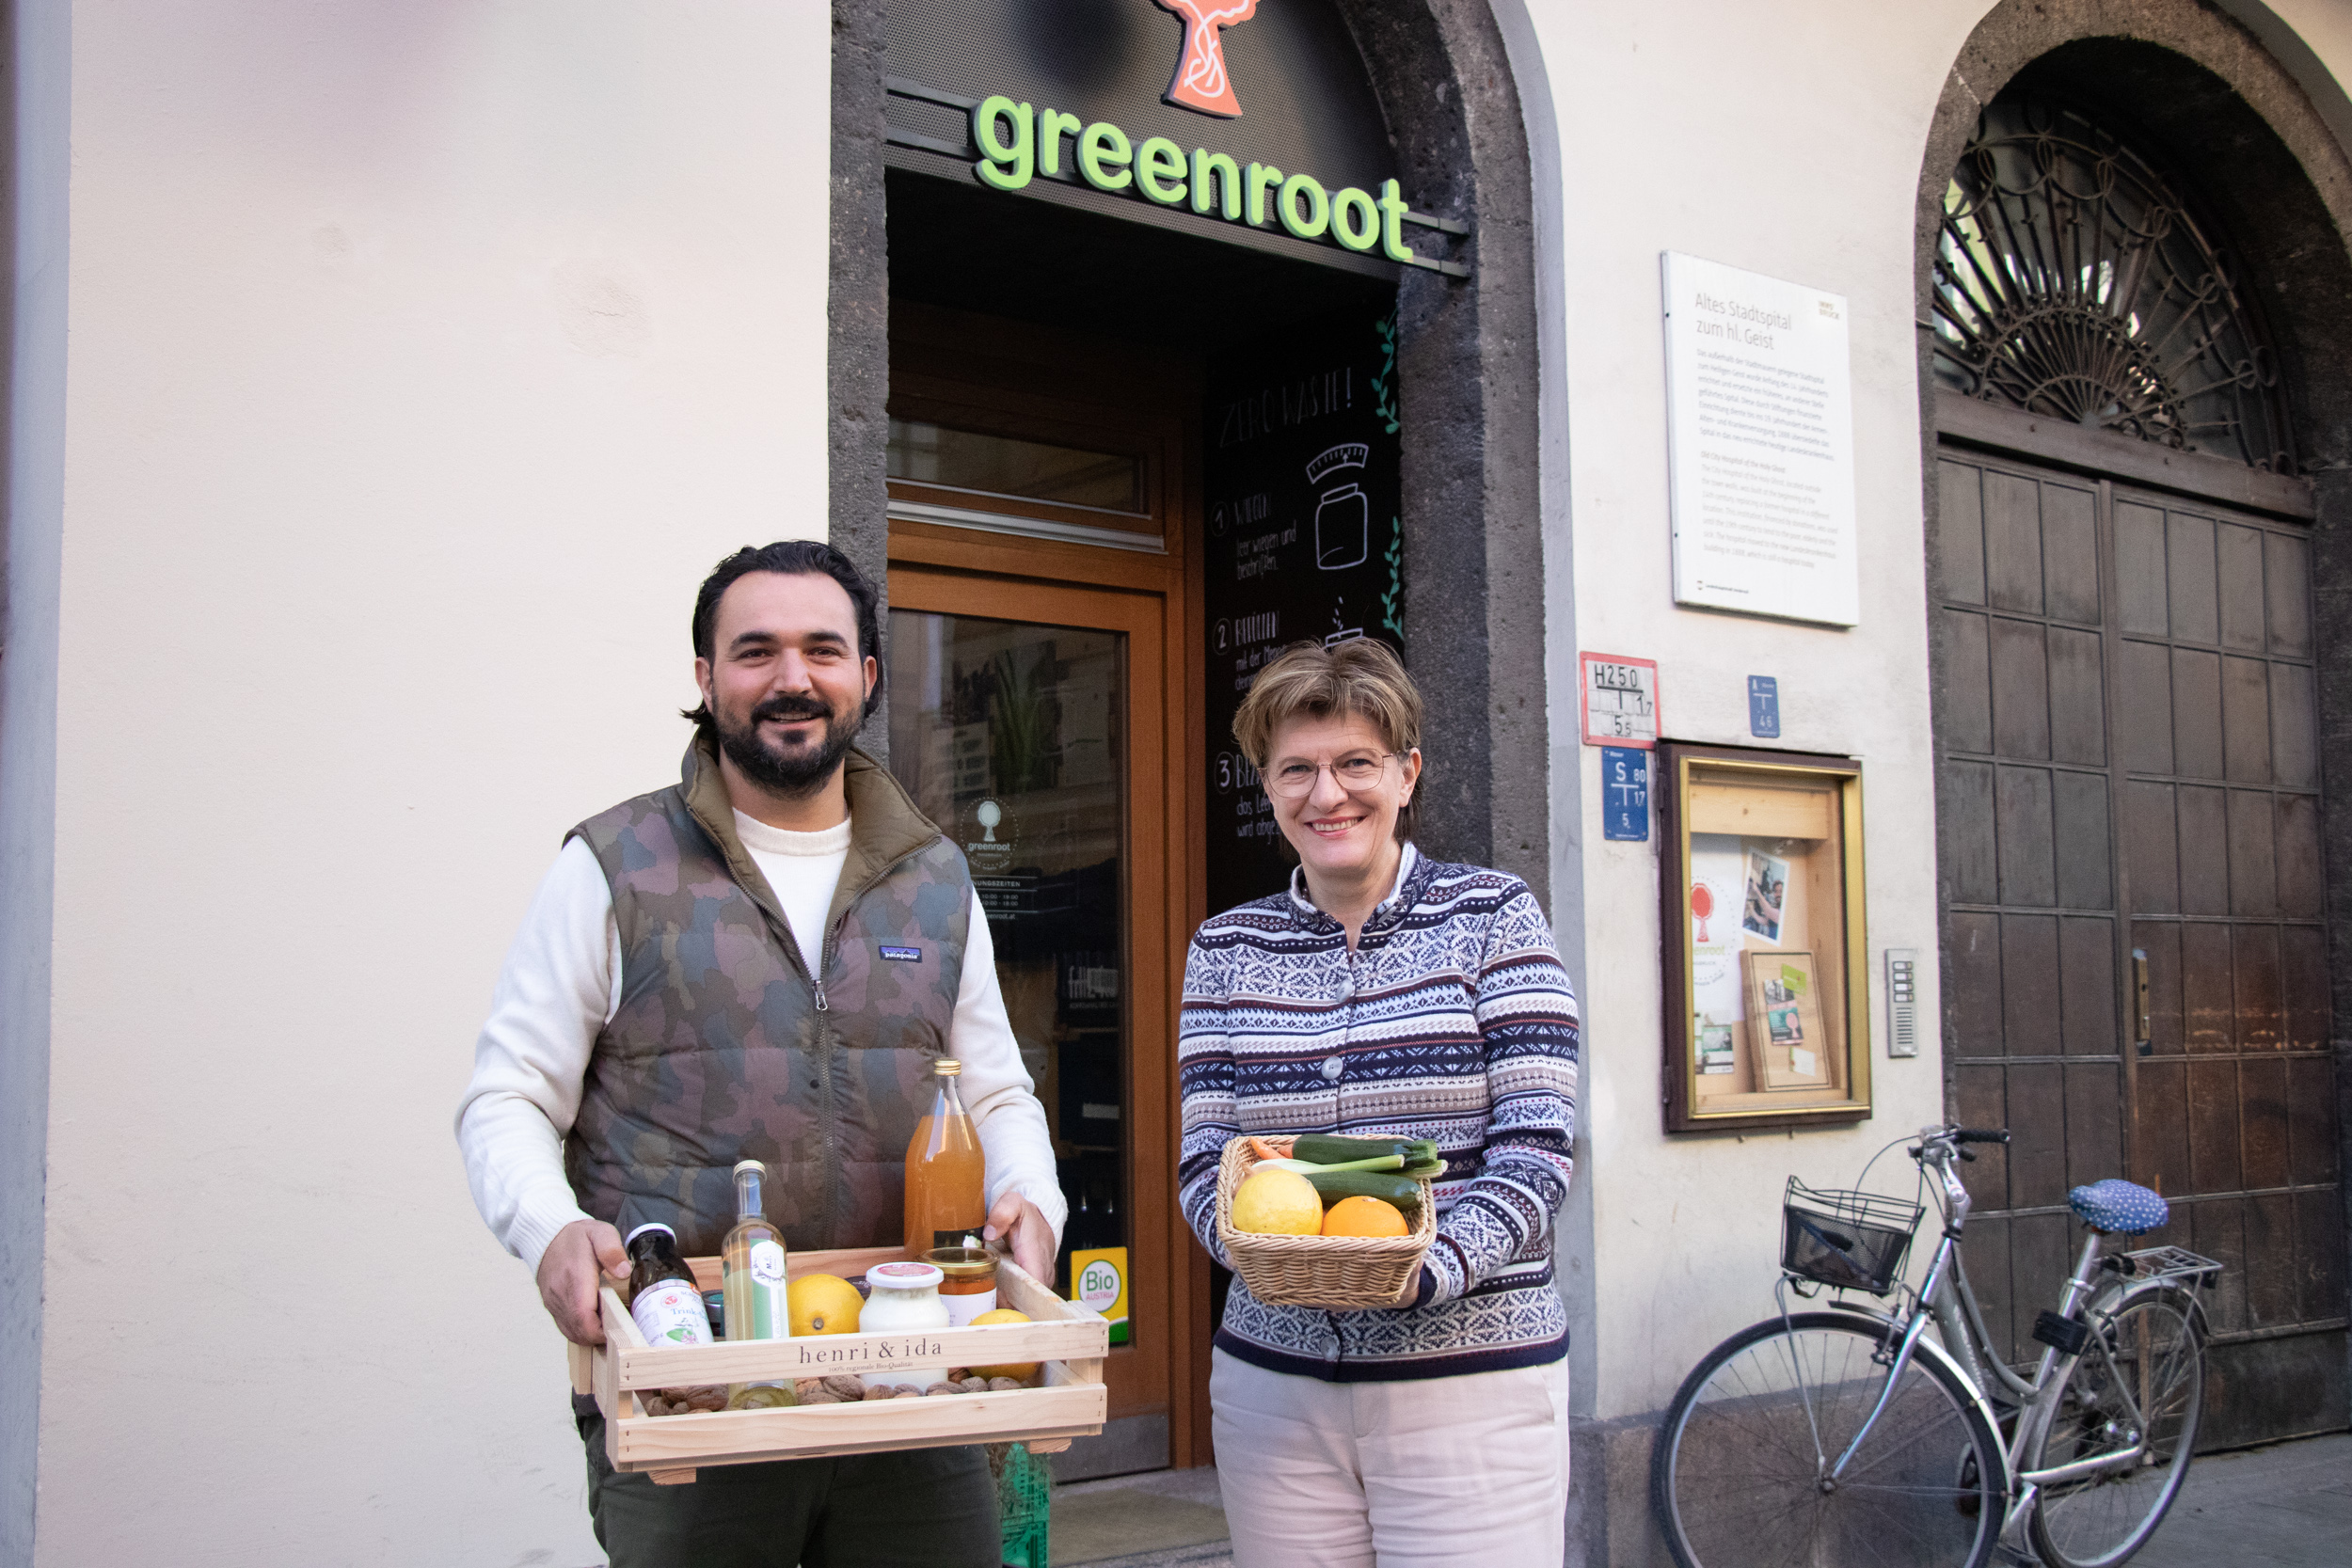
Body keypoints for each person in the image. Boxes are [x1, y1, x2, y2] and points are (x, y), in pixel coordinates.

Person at [456, 541, 1066, 1568]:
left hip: (909, 1379)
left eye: (822, 649)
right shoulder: (614, 865)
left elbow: (995, 1090)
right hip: (689, 1387)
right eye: (756, 651)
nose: (793, 677)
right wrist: (549, 1228)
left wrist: (1031, 1203)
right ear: (706, 678)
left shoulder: (934, 876)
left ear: (866, 674)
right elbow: (509, 1095)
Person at [1177, 639, 1581, 1567]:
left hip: (1470, 1387)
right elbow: (1207, 1157)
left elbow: (1538, 1147)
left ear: (1406, 772)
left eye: (1355, 762)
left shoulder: (1493, 916)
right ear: (1268, 786)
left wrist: (1423, 1267)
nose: (1327, 794)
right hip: (1274, 1390)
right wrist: (1266, 1257)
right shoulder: (1225, 948)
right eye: (1297, 769)